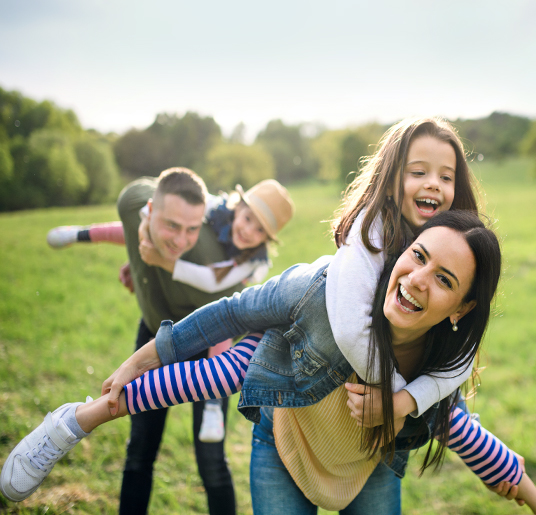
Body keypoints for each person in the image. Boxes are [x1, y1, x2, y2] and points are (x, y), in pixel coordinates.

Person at [3, 212, 535, 513]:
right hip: (285, 443)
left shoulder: (430, 381)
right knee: (221, 372)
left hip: (358, 467)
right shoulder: (320, 304)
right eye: (417, 256)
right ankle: (74, 419)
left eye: (444, 280)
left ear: (463, 309)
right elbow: (222, 329)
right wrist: (130, 373)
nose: (419, 278)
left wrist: (527, 492)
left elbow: (477, 446)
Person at [46, 179, 294, 443]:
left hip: (209, 311)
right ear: (238, 205)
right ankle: (80, 234)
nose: (248, 232)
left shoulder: (251, 261)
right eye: (247, 219)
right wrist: (140, 252)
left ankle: (212, 406)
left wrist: (164, 263)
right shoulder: (211, 209)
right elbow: (161, 221)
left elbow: (212, 281)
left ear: (265, 240)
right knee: (154, 233)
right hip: (170, 303)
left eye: (259, 231)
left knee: (225, 311)